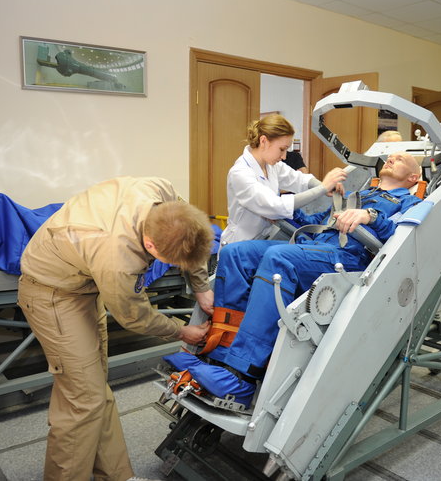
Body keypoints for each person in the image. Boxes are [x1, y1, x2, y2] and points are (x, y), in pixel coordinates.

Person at [166, 152, 423, 407]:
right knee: (236, 253)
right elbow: (315, 222)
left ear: (414, 177)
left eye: (400, 160)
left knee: (279, 258)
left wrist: (370, 217)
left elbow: (400, 236)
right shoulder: (362, 192)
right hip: (316, 246)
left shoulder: (410, 202)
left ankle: (240, 375)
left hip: (347, 258)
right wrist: (281, 206)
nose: (391, 159)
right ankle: (217, 353)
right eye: (391, 157)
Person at [18, 176, 214, 481]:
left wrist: (201, 286)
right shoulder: (118, 256)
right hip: (52, 294)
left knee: (96, 390)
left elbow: (191, 233)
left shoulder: (160, 191)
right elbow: (134, 316)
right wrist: (181, 330)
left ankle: (116, 476)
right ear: (150, 245)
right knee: (83, 400)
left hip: (83, 284)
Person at [221, 114, 346, 246]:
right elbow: (277, 206)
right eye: (282, 149)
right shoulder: (240, 173)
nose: (284, 156)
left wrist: (325, 185)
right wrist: (323, 188)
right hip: (240, 244)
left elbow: (300, 179)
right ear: (263, 141)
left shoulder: (272, 166)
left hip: (264, 240)